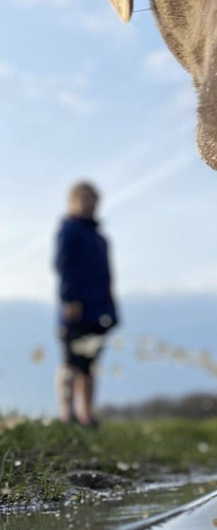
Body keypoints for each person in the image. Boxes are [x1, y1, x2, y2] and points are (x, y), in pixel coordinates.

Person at [54, 182, 118, 427]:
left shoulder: (100, 238)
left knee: (90, 366)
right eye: (84, 199)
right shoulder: (69, 230)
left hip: (97, 310)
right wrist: (69, 298)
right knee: (71, 362)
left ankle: (86, 415)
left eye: (93, 200)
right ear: (72, 202)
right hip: (76, 307)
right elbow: (64, 266)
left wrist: (111, 311)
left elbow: (108, 278)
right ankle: (66, 414)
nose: (90, 205)